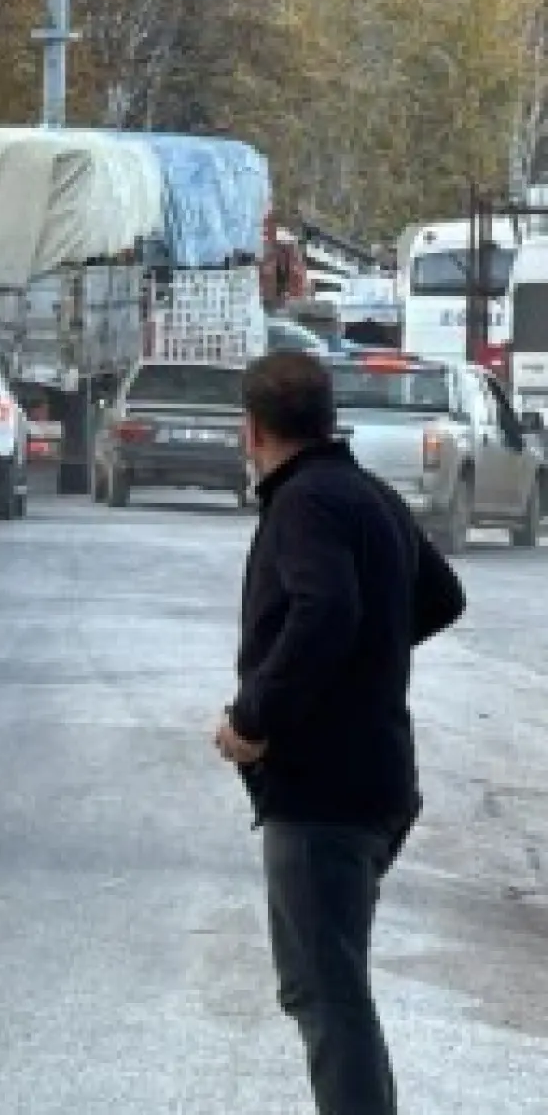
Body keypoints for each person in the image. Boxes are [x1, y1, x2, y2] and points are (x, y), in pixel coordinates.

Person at [215, 348, 465, 1115]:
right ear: (327, 417)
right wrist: (367, 661)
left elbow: (327, 611)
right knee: (333, 986)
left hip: (322, 791)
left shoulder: (304, 505)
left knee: (325, 994)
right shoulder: (368, 494)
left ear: (252, 431)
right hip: (376, 780)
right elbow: (441, 595)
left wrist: (254, 717)